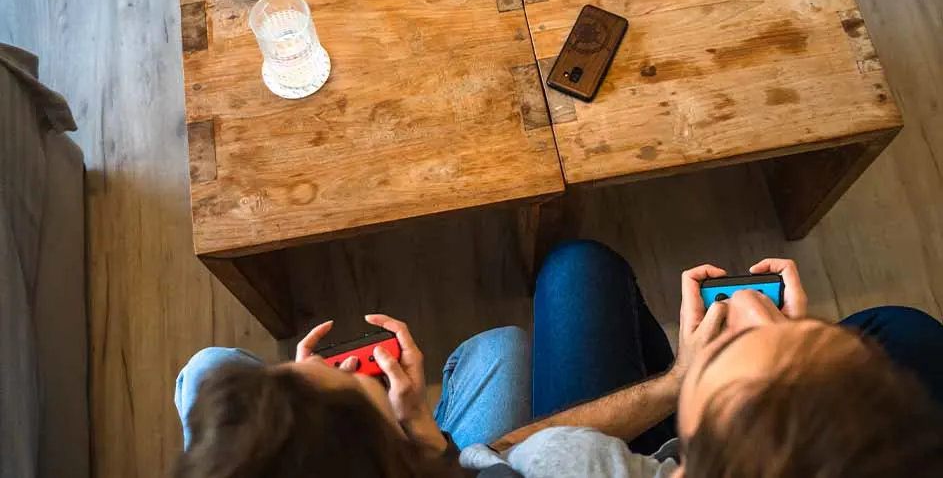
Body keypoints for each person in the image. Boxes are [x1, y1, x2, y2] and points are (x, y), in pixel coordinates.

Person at [174, 240, 943, 477]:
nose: (751, 304)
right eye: (356, 391)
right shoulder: (567, 462)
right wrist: (696, 376)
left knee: (206, 369)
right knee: (903, 333)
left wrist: (424, 437)